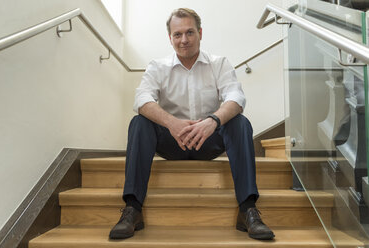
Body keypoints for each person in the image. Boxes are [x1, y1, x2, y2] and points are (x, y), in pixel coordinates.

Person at [109, 8, 275, 241]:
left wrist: (212, 121)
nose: (184, 40)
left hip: (209, 141)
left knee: (240, 122)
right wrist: (172, 123)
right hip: (171, 141)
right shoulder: (157, 66)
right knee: (139, 122)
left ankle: (247, 209)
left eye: (189, 33)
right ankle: (132, 209)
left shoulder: (219, 64)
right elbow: (142, 99)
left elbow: (236, 98)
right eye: (177, 35)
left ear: (200, 33)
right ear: (170, 38)